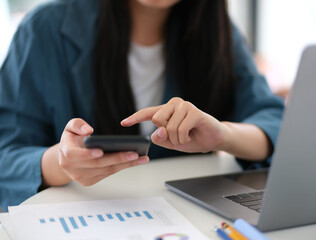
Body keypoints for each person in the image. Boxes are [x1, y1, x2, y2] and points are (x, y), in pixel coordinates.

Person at [0, 0, 284, 211]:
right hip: (84, 218)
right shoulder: (44, 30)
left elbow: (276, 122)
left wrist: (223, 135)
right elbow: (5, 158)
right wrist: (61, 163)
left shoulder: (218, 31)